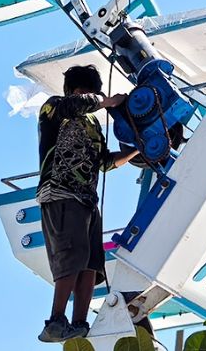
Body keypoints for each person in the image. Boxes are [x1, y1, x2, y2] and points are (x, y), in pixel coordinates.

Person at [36, 65, 139, 342]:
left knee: (91, 263)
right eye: (86, 92)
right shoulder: (55, 108)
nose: (90, 97)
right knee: (73, 255)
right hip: (60, 194)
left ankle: (79, 323)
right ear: (74, 90)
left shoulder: (93, 123)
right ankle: (56, 319)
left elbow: (103, 161)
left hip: (86, 201)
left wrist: (138, 149)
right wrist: (108, 101)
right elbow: (76, 105)